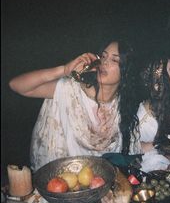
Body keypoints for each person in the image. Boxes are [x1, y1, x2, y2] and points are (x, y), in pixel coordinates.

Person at [9, 39, 143, 172]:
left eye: (115, 60)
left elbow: (132, 146)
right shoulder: (71, 91)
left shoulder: (123, 107)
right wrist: (63, 70)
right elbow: (17, 85)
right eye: (103, 56)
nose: (105, 62)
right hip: (57, 179)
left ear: (127, 70)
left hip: (96, 183)